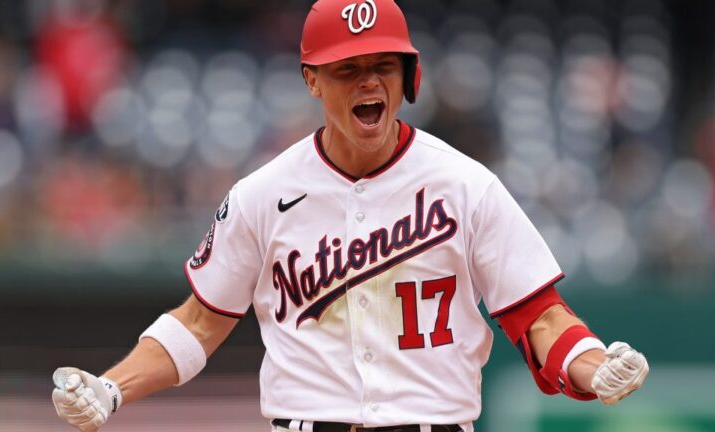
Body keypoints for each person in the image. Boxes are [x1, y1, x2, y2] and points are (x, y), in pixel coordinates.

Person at [51, 1, 649, 431]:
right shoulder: (264, 193)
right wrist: (111, 389)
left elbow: (536, 315)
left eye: (383, 65)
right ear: (312, 80)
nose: (369, 80)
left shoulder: (467, 186)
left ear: (407, 75)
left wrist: (591, 365)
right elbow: (200, 323)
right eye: (348, 68)